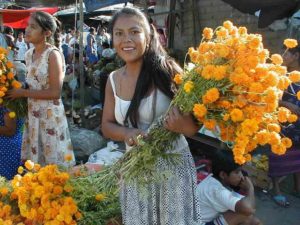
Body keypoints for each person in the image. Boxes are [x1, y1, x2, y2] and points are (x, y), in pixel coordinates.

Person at [101, 7, 200, 225]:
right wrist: (128, 132)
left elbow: (194, 126)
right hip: (135, 170)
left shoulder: (168, 71)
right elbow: (107, 126)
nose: (126, 39)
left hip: (172, 169)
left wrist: (183, 125)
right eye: (119, 33)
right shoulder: (113, 79)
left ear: (149, 34)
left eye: (134, 31)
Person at [6, 11, 75, 167]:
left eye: (33, 27)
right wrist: (18, 85)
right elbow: (34, 84)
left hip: (50, 117)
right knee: (37, 166)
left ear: (47, 33)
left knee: (55, 165)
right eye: (27, 26)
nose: (27, 30)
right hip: (33, 114)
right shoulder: (29, 54)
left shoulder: (53, 55)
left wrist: (22, 92)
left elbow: (55, 92)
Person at [268, 46, 300, 207]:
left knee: (298, 156)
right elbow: (270, 97)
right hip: (282, 123)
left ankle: (297, 188)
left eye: (287, 53)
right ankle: (277, 190)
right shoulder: (280, 75)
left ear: (296, 56)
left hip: (298, 126)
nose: (284, 55)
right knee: (278, 155)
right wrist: (286, 103)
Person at [197, 150, 261, 225]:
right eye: (237, 172)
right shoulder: (218, 191)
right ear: (223, 175)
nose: (241, 176)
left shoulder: (213, 179)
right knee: (243, 213)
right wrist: (250, 188)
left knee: (253, 220)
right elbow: (249, 209)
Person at [0, 106, 24, 180]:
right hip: (6, 150)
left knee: (6, 184)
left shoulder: (7, 104)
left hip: (6, 151)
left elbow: (10, 130)